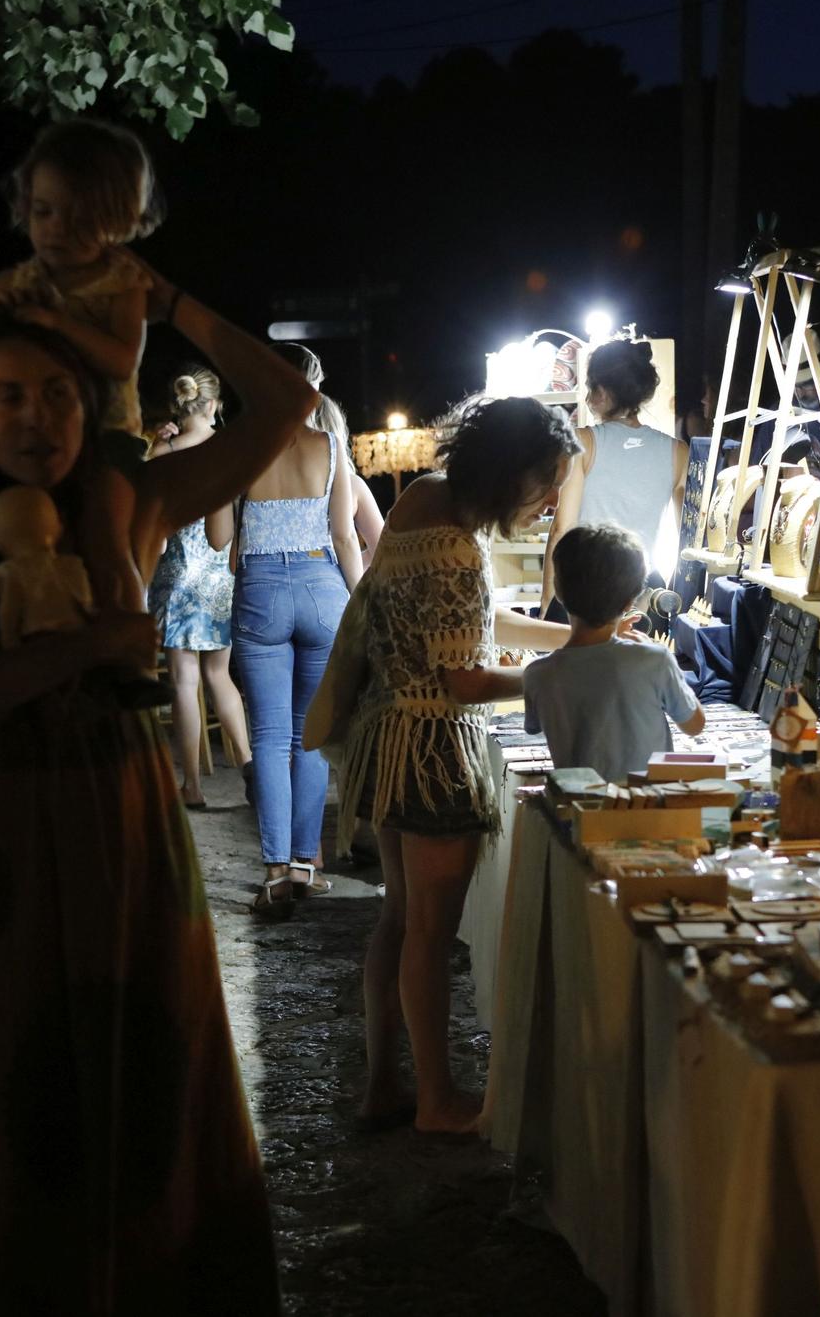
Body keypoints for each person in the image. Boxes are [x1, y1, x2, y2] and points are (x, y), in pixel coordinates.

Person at [0, 292, 314, 1312]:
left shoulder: (142, 500)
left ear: (95, 406)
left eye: (59, 394)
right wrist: (88, 648)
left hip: (121, 819)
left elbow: (286, 398)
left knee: (142, 1059)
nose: (35, 418)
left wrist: (173, 304)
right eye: (9, 396)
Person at [342, 396, 581, 1135]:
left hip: (384, 737)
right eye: (545, 483)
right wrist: (556, 674)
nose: (548, 502)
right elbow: (466, 681)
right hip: (432, 751)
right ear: (512, 473)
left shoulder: (421, 501)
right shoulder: (455, 547)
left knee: (398, 919)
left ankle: (386, 1080)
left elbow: (470, 625)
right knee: (428, 934)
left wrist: (573, 639)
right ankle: (439, 1100)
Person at [0, 118, 161, 625]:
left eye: (77, 219)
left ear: (117, 218)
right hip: (32, 435)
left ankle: (129, 645)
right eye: (43, 212)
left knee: (106, 533)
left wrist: (56, 322)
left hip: (108, 435)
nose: (55, 229)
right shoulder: (18, 279)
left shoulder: (123, 283)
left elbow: (123, 360)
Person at [207, 343, 366, 915]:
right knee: (310, 735)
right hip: (323, 586)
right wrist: (361, 604)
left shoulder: (242, 448)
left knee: (269, 737)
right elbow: (347, 536)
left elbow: (220, 539)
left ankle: (274, 870)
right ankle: (305, 864)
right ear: (312, 388)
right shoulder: (330, 446)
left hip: (261, 596)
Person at [145, 364, 250, 809]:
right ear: (210, 404)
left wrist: (154, 442)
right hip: (218, 571)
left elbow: (142, 499)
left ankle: (192, 785)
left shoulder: (165, 451)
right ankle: (250, 767)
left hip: (176, 572)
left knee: (184, 681)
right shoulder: (228, 449)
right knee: (219, 676)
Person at [524, 523, 704, 782]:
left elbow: (535, 727)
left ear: (559, 593)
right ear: (631, 601)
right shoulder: (653, 660)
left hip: (578, 813)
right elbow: (695, 725)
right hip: (647, 809)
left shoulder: (537, 675)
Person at [538, 338, 688, 619]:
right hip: (642, 592)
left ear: (602, 392)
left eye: (588, 388)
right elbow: (687, 538)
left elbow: (562, 527)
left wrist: (548, 601)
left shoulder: (583, 442)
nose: (586, 397)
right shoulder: (678, 452)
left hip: (584, 587)